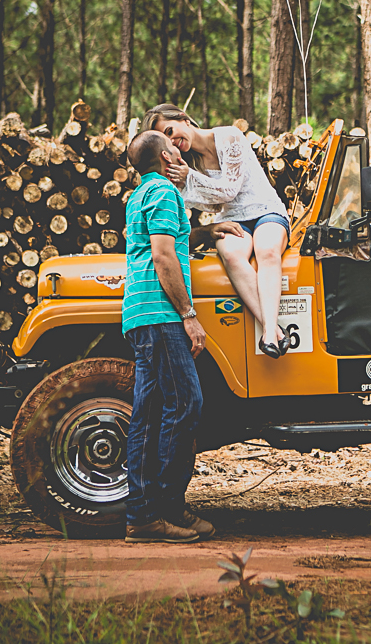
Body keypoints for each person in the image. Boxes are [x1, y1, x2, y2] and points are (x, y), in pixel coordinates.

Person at [122, 129, 243, 543]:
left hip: (142, 313)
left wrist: (206, 233)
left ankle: (145, 513)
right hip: (161, 314)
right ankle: (164, 509)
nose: (180, 153)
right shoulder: (164, 193)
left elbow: (167, 241)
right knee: (186, 404)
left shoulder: (141, 194)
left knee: (149, 412)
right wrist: (188, 314)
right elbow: (162, 254)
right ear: (162, 158)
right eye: (173, 148)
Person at [143, 104, 291, 359]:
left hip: (266, 210)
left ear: (183, 119)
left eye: (170, 130)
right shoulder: (188, 162)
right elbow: (213, 204)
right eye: (167, 140)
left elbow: (229, 191)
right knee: (232, 256)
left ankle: (267, 333)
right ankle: (275, 331)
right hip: (232, 218)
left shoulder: (229, 136)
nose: (173, 141)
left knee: (267, 250)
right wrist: (182, 183)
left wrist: (190, 177)